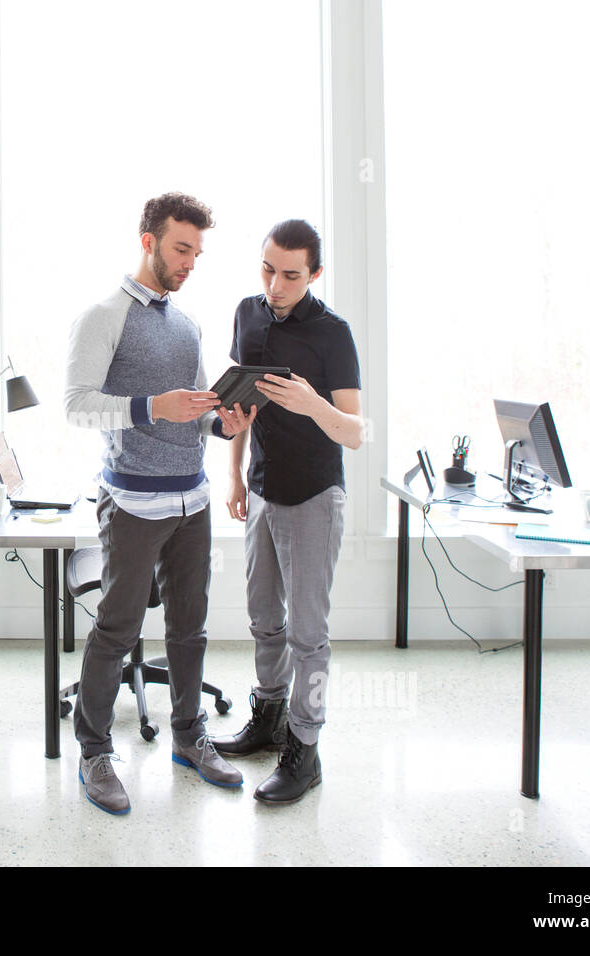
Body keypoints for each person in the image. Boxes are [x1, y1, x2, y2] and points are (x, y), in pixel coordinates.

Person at [64, 192, 256, 815]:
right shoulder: (103, 317)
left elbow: (191, 417)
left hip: (191, 503)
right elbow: (76, 405)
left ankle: (187, 737)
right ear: (147, 241)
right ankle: (94, 750)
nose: (190, 263)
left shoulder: (187, 325)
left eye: (197, 253)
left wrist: (224, 423)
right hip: (132, 504)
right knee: (117, 629)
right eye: (181, 249)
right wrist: (152, 406)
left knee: (189, 630)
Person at [210, 219, 363, 805]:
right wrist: (233, 473)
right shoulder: (248, 313)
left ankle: (306, 747)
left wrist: (311, 402)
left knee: (308, 634)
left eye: (290, 275)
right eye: (267, 269)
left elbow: (355, 431)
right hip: (261, 491)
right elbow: (237, 402)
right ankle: (269, 719)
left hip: (315, 497)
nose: (274, 285)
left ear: (315, 274)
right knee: (263, 618)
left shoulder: (333, 334)